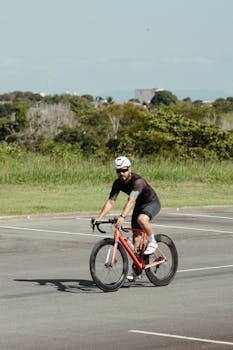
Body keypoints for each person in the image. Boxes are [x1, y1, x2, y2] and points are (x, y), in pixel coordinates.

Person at [93, 156, 161, 281]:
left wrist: (123, 216)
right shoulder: (117, 183)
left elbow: (131, 200)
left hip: (152, 203)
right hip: (139, 205)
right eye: (118, 171)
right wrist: (99, 218)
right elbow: (110, 202)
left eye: (124, 170)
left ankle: (152, 242)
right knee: (136, 237)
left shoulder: (137, 181)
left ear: (129, 168)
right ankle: (138, 269)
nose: (121, 173)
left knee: (142, 219)